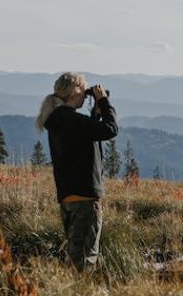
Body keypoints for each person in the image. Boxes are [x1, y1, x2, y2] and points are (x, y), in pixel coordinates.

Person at [36, 72, 118, 272]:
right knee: (83, 261)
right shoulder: (71, 120)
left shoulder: (58, 119)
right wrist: (104, 103)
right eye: (84, 90)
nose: (86, 94)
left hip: (68, 199)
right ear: (74, 93)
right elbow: (111, 129)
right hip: (85, 200)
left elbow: (86, 139)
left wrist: (95, 115)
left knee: (76, 254)